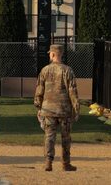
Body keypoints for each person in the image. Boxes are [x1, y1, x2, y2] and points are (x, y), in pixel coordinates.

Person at [34, 43, 79, 172]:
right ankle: (65, 163)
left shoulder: (44, 70)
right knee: (66, 137)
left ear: (53, 54)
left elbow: (39, 90)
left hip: (48, 110)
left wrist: (39, 107)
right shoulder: (67, 70)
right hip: (64, 110)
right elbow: (73, 91)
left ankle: (48, 162)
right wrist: (76, 108)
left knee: (49, 136)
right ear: (61, 54)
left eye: (50, 54)